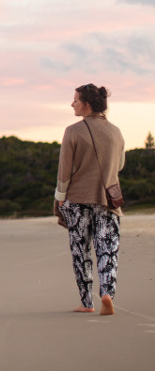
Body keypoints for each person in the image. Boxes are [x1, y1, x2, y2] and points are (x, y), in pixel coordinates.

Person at [55, 84, 125, 315]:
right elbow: (120, 165)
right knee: (107, 249)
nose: (72, 104)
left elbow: (64, 171)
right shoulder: (116, 132)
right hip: (107, 199)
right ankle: (107, 295)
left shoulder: (73, 131)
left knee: (81, 252)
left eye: (75, 100)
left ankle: (87, 303)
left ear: (86, 104)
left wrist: (59, 199)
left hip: (77, 200)